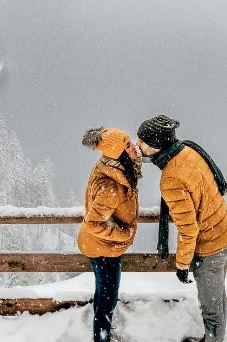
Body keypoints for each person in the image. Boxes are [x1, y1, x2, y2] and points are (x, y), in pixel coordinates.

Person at [136, 115, 227, 342]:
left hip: (211, 244)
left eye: (141, 141)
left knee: (211, 309)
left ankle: (214, 339)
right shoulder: (187, 150)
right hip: (224, 228)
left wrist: (182, 264)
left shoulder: (171, 177)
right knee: (218, 296)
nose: (138, 145)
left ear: (155, 146)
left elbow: (188, 228)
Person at [78, 127, 142, 342]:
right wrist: (123, 233)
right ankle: (102, 338)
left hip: (104, 245)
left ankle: (102, 335)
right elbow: (93, 223)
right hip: (104, 248)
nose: (133, 146)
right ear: (119, 154)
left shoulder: (112, 166)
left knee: (104, 294)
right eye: (127, 145)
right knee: (107, 299)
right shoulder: (110, 187)